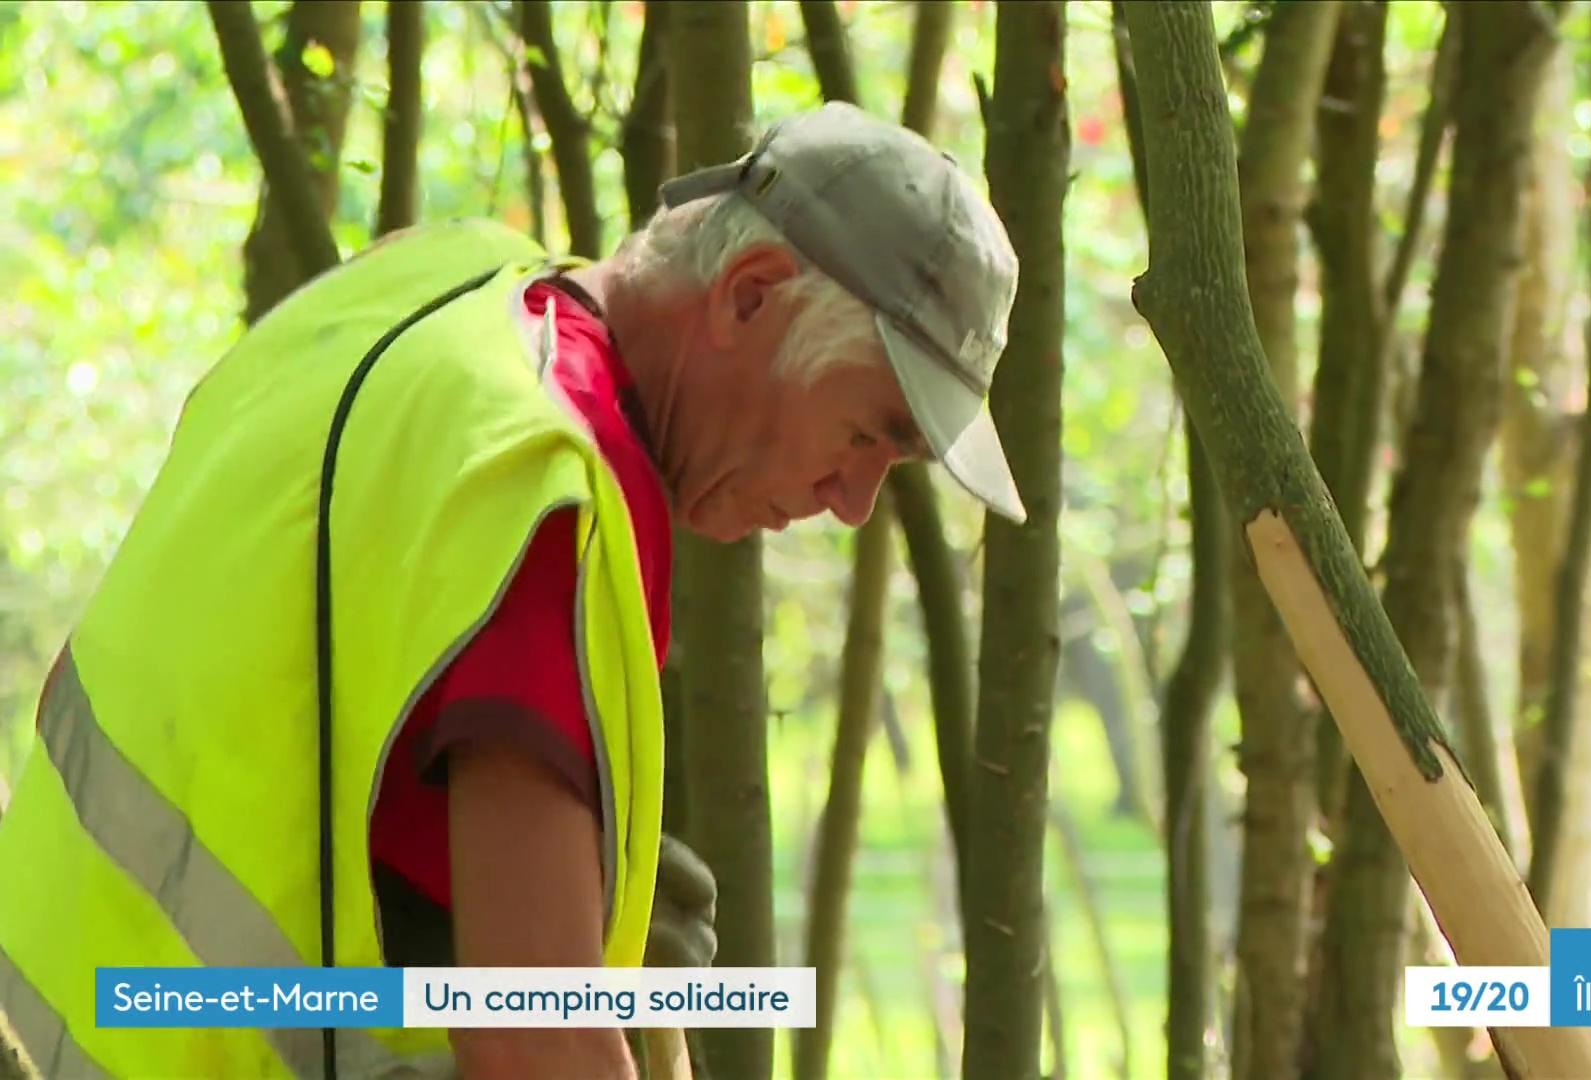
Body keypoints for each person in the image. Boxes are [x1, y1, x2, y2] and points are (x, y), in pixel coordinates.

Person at [0, 101, 1025, 1080]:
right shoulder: (545, 485)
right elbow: (534, 1043)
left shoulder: (430, 293)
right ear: (749, 292)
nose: (852, 502)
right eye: (865, 434)